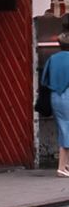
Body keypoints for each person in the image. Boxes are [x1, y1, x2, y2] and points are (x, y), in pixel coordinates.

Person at [42, 32, 69, 178]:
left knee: (63, 128)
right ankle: (61, 167)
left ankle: (66, 165)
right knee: (67, 130)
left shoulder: (52, 58)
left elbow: (44, 80)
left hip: (55, 96)